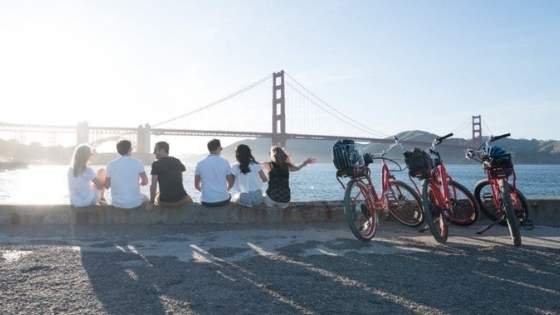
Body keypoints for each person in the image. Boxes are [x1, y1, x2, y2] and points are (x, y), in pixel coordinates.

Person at [105, 140, 149, 209]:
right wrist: (139, 183)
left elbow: (107, 185)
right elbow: (145, 181)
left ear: (118, 150)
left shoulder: (111, 164)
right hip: (134, 203)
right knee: (146, 198)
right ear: (130, 149)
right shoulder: (137, 163)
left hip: (117, 203)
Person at [149, 141, 192, 207]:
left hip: (165, 202)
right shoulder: (177, 161)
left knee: (157, 194)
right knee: (189, 198)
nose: (154, 152)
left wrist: (151, 202)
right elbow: (179, 181)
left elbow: (153, 186)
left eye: (155, 150)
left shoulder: (156, 164)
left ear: (162, 150)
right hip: (181, 200)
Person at [195, 139, 233, 207]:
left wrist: (206, 193)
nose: (221, 151)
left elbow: (196, 185)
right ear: (218, 148)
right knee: (229, 195)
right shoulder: (225, 162)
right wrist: (225, 191)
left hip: (206, 202)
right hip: (223, 200)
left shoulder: (200, 164)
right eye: (221, 149)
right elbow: (230, 183)